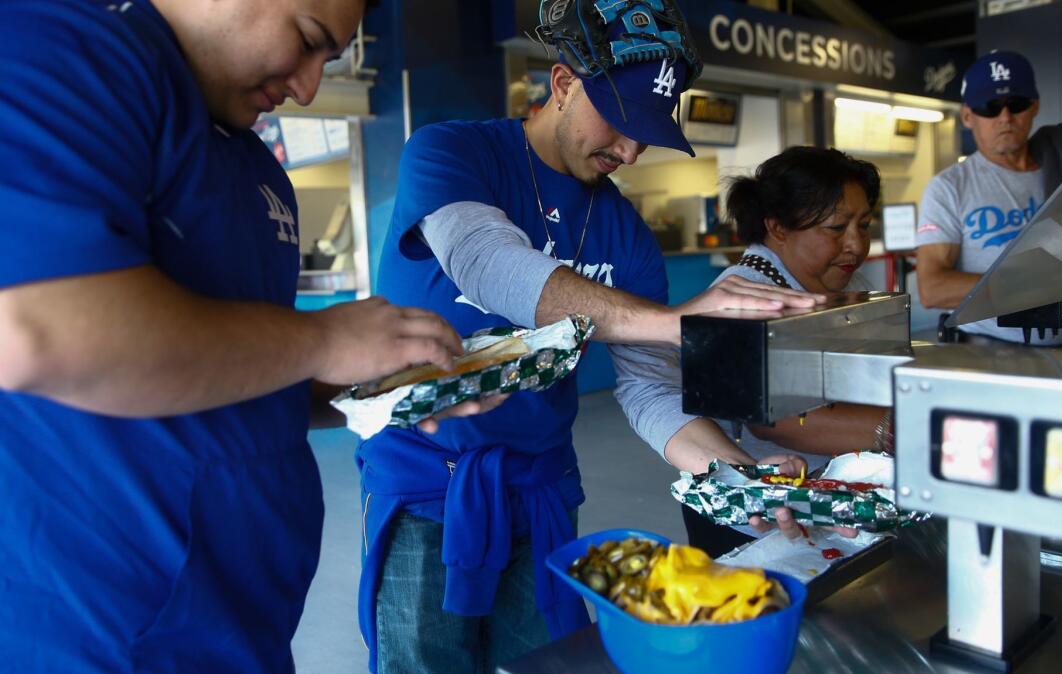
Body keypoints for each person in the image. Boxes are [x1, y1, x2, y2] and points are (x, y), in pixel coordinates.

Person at [0, 1, 493, 671]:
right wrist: (321, 339)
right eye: (309, 40)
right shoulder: (69, 48)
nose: (309, 86)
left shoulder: (259, 171)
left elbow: (252, 374)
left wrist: (382, 385)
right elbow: (40, 331)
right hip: (108, 632)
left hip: (239, 624)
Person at [355, 2, 823, 672]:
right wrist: (677, 321)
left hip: (541, 484)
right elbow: (487, 262)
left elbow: (649, 393)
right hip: (424, 478)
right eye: (620, 122)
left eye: (648, 135)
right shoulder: (452, 152)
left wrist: (741, 481)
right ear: (564, 82)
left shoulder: (625, 234)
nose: (629, 152)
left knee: (541, 662)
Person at [634, 146, 894, 558]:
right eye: (836, 227)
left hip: (820, 486)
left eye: (864, 225)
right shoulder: (746, 294)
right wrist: (894, 428)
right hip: (751, 511)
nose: (855, 244)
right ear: (778, 228)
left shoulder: (839, 281)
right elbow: (778, 422)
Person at [916, 50, 1062, 347]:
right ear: (968, 116)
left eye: (1016, 104)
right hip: (991, 355)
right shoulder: (949, 188)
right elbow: (932, 289)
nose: (1005, 117)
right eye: (990, 107)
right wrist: (1033, 286)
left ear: (1034, 107)